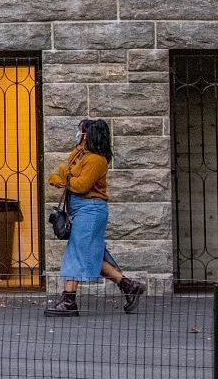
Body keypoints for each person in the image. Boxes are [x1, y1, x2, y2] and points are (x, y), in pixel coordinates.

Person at [44, 118, 147, 317]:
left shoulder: (96, 160)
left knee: (76, 251)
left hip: (90, 210)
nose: (77, 134)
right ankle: (129, 286)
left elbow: (81, 185)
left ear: (87, 135)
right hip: (81, 209)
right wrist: (64, 178)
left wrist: (63, 179)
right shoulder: (79, 155)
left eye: (80, 131)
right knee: (91, 253)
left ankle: (69, 301)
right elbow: (59, 174)